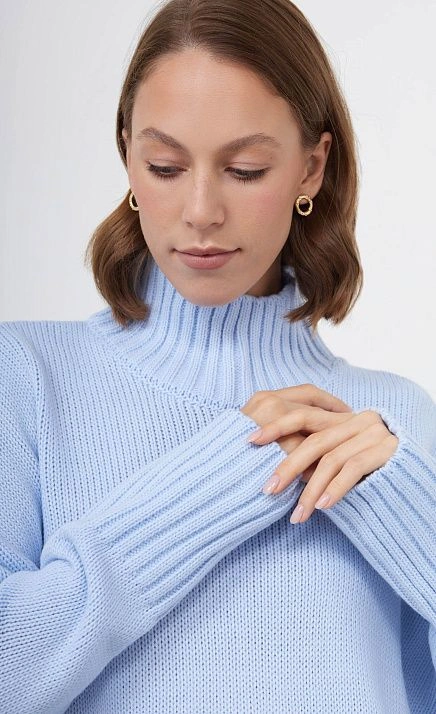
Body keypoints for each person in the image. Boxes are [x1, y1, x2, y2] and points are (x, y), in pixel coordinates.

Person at [1, 0, 434, 711]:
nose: (201, 211)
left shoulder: (394, 426)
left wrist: (411, 512)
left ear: (311, 168)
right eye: (165, 166)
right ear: (127, 155)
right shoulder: (24, 376)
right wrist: (228, 472)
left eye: (245, 169)